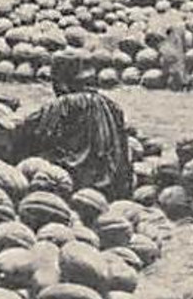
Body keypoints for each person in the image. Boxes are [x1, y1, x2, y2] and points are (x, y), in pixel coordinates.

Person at [14, 51, 134, 198]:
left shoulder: (65, 104)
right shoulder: (113, 106)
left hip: (74, 181)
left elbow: (33, 132)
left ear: (61, 80)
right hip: (112, 186)